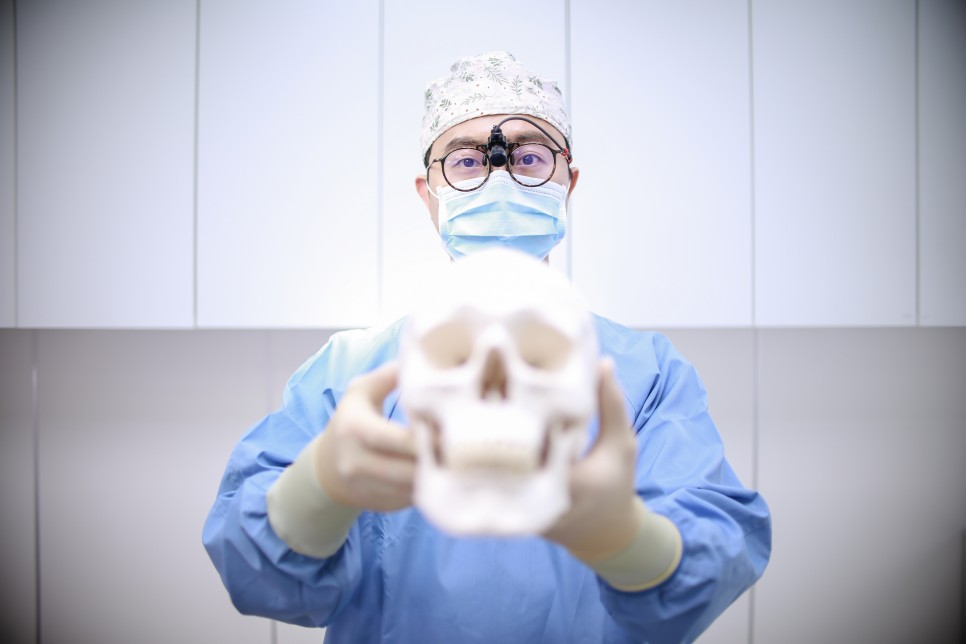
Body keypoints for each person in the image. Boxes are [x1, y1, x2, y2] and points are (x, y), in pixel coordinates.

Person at [203, 51, 771, 643]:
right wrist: (317, 489)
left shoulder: (647, 375)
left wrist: (628, 540)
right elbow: (253, 570)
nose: (500, 179)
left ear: (569, 183)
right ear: (429, 195)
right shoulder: (349, 374)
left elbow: (714, 556)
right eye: (467, 161)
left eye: (529, 157)